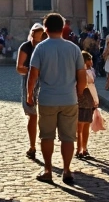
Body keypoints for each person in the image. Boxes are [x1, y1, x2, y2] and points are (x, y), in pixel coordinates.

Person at [27, 12, 87, 186]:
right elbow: (81, 77)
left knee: (47, 136)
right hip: (69, 98)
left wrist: (30, 94)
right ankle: (67, 169)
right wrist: (79, 92)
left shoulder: (41, 48)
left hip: (47, 99)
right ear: (62, 28)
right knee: (68, 137)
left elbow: (33, 75)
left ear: (45, 29)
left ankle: (47, 170)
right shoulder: (74, 48)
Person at [15, 23, 46, 160]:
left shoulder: (45, 46)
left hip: (44, 81)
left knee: (46, 115)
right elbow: (19, 68)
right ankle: (32, 146)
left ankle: (45, 144)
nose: (37, 40)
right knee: (32, 114)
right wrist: (32, 70)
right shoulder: (25, 47)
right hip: (29, 80)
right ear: (32, 34)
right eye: (35, 35)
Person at [76, 51, 100, 159]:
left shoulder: (90, 70)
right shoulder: (79, 71)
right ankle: (78, 149)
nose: (91, 61)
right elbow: (86, 81)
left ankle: (84, 148)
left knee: (86, 126)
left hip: (89, 101)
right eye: (89, 59)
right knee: (79, 126)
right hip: (81, 100)